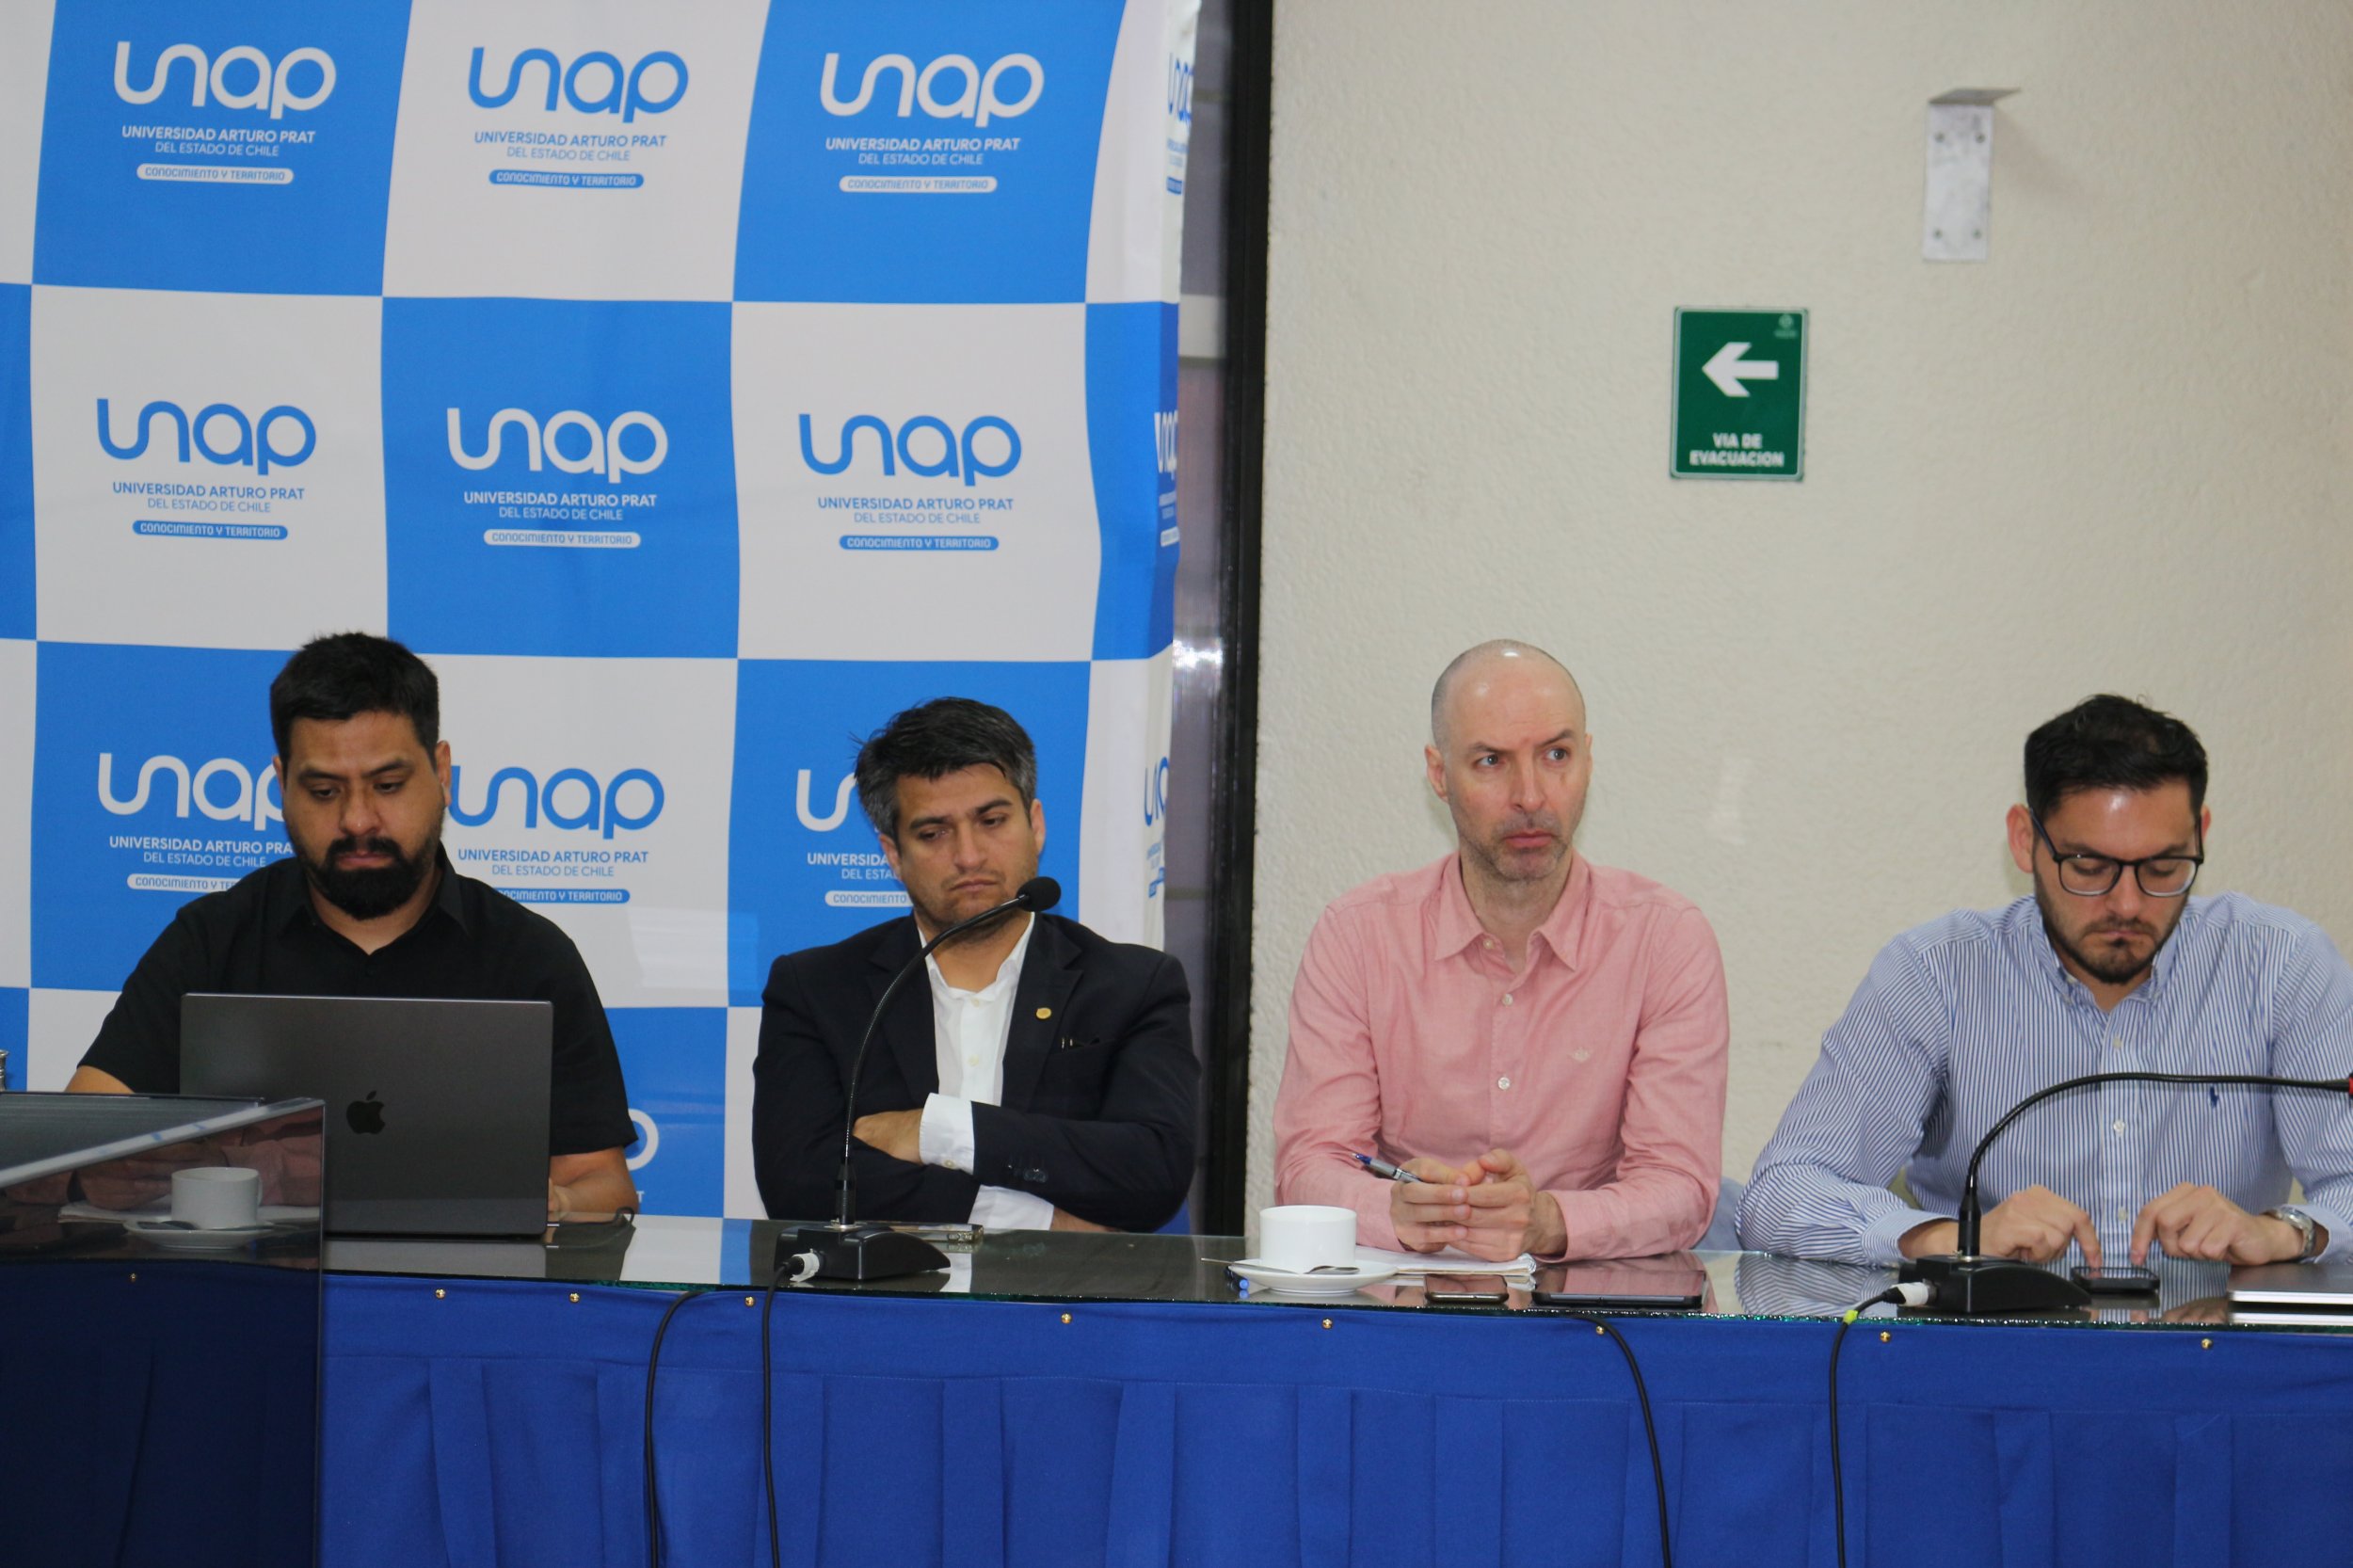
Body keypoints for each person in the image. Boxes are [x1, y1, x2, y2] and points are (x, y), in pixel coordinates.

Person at [1740, 695, 2353, 1270]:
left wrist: (2288, 1232)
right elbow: (1782, 1192)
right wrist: (1956, 1239)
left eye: (2164, 866)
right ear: (2025, 840)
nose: (2127, 904)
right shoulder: (1937, 973)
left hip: (2214, 1338)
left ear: (2200, 835)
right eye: (2089, 866)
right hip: (1995, 1339)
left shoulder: (2281, 964)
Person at [69, 632, 638, 1221]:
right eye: (324, 791)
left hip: (463, 1279)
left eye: (388, 786)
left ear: (442, 772)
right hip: (248, 1275)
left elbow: (605, 1185)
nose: (358, 820)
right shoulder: (212, 939)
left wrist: (557, 1201)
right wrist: (128, 1169)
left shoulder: (531, 956)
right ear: (282, 785)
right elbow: (83, 1143)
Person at [1272, 641, 1729, 1262]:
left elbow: (1680, 1186)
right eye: (1491, 761)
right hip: (1400, 1291)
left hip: (1591, 1299)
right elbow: (1310, 1164)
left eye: (1556, 756)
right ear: (1439, 774)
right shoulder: (1357, 936)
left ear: (1588, 760)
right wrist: (1394, 1210)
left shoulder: (1665, 940)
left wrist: (1549, 1221)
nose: (1531, 796)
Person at [751, 698, 1194, 1231]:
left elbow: (1154, 1170)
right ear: (893, 855)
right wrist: (1035, 1219)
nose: (968, 856)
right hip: (887, 1285)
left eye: (992, 821)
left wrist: (940, 1129)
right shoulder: (818, 988)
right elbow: (799, 1182)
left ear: (1035, 825)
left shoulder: (1132, 985)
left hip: (1062, 1289)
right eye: (933, 833)